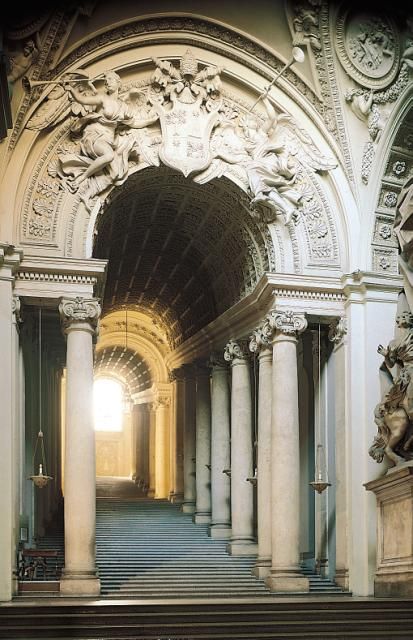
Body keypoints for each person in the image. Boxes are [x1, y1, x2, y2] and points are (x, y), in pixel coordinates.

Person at [61, 71, 158, 195]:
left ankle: (91, 190)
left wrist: (150, 121)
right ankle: (82, 177)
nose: (107, 82)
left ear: (118, 82)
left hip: (109, 140)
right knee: (109, 156)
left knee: (116, 172)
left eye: (110, 79)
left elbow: (134, 123)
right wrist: (71, 90)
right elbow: (83, 99)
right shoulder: (102, 98)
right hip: (95, 135)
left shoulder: (123, 107)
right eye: (106, 80)